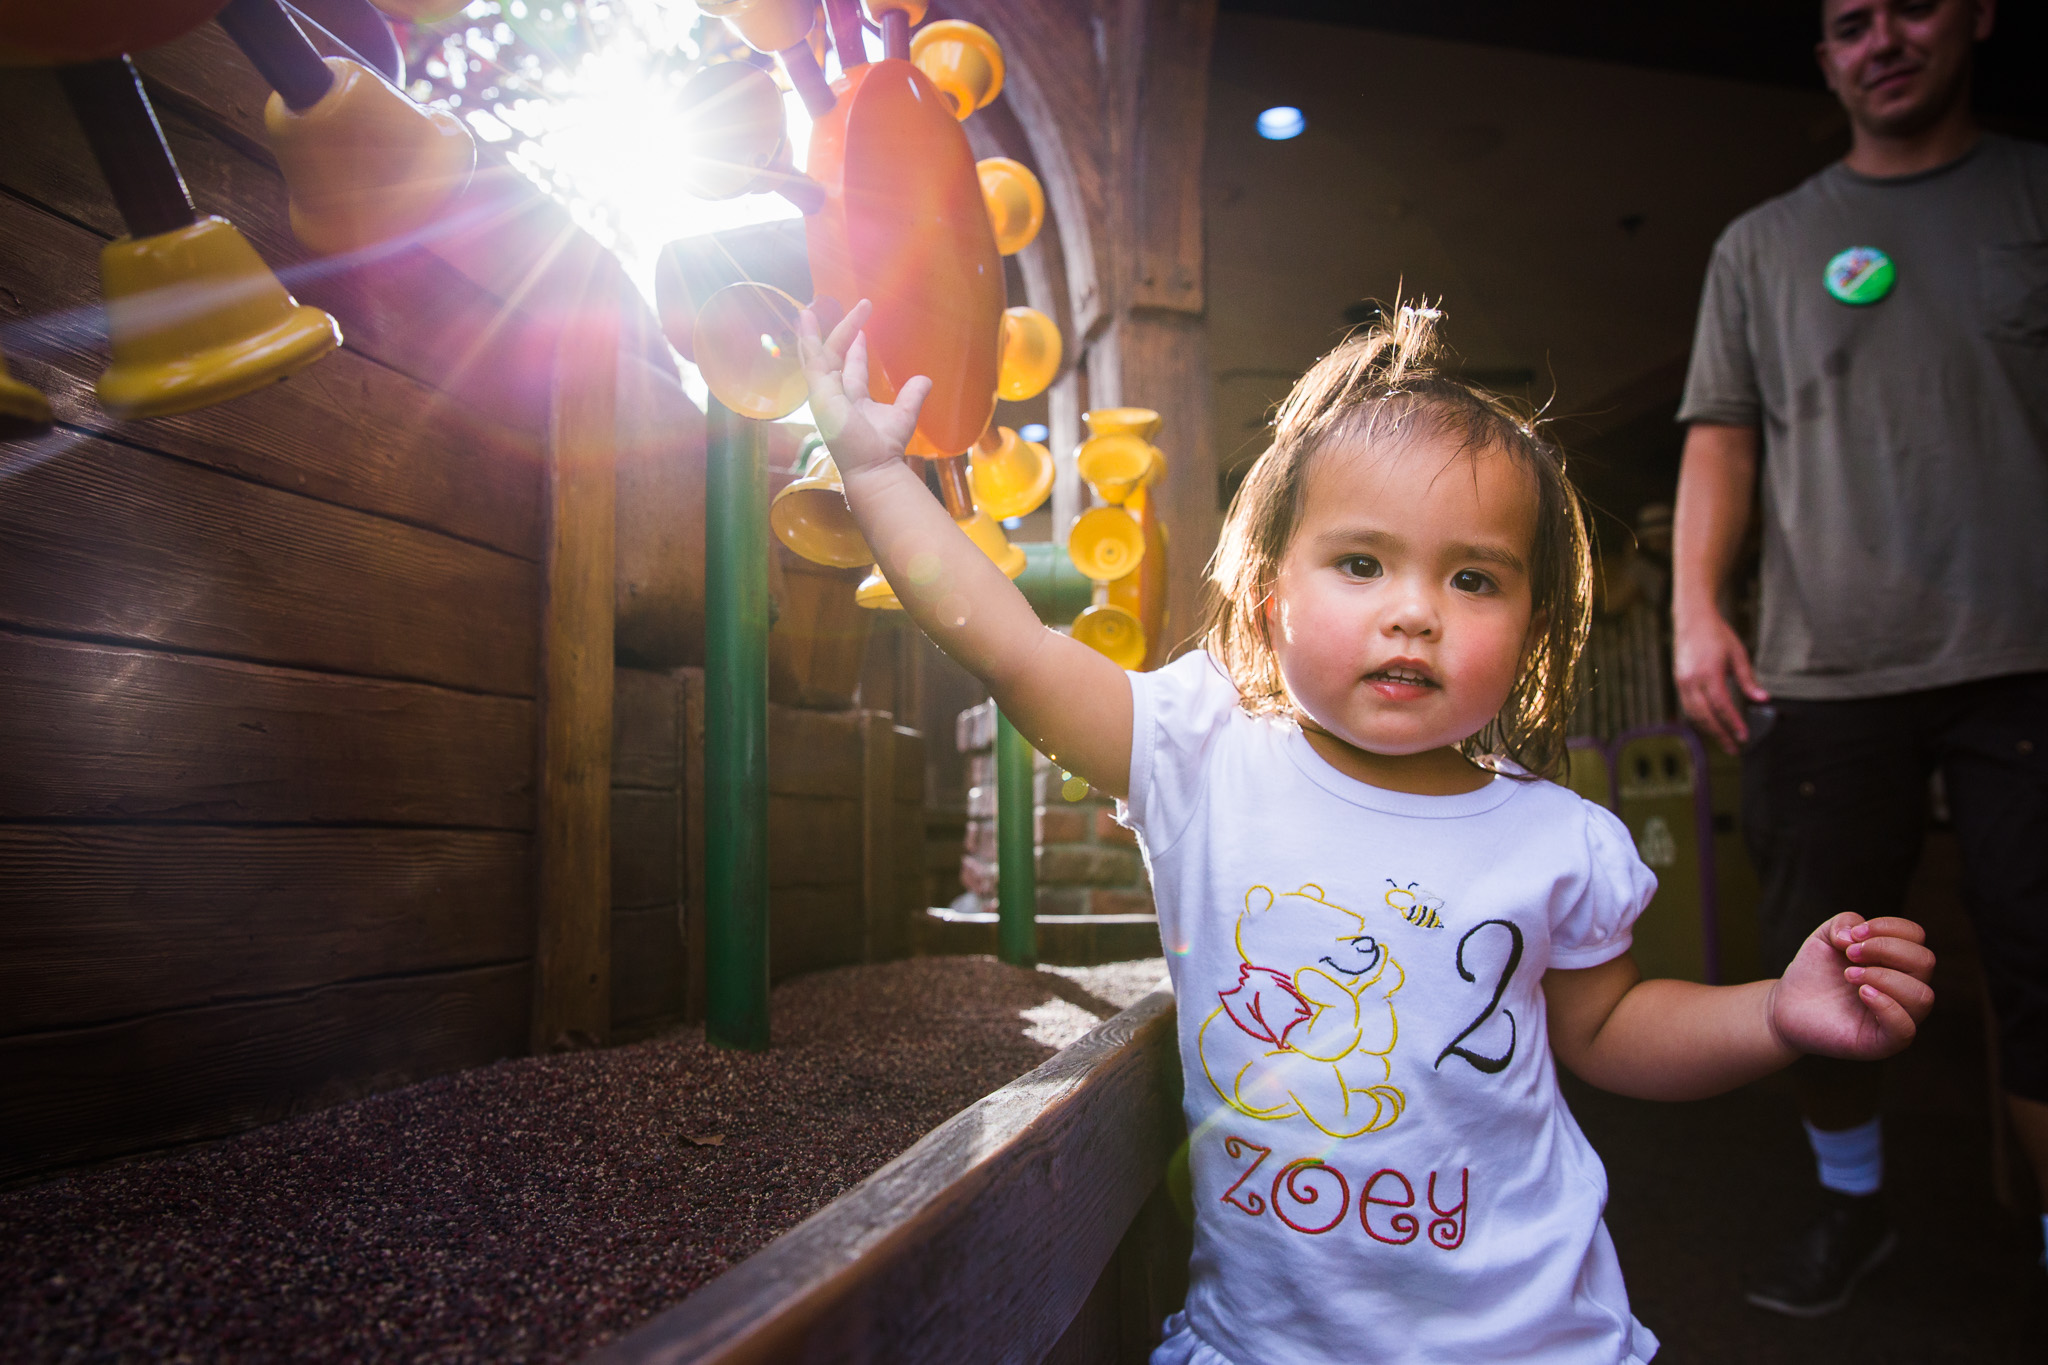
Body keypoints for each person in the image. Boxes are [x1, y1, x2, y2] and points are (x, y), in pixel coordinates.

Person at [801, 296, 1937, 1362]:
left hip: (1530, 1334)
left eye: (1473, 580)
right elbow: (1010, 646)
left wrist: (1774, 1014)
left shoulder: (1560, 841)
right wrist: (870, 471)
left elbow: (1614, 1029)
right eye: (1358, 562)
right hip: (1269, 1339)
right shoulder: (1200, 755)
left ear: (1532, 634)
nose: (1412, 610)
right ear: (1266, 600)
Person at [1671, 0, 2048, 1317]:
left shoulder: (2033, 194)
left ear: (1979, 15)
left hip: (2028, 658)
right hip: (1823, 672)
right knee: (1824, 964)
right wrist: (1695, 611)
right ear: (1823, 54)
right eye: (1848, 22)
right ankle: (1855, 1209)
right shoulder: (1762, 246)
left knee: (2043, 953)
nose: (1882, 40)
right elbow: (1720, 436)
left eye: (1913, 7)